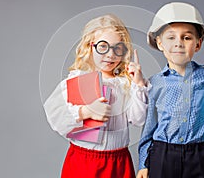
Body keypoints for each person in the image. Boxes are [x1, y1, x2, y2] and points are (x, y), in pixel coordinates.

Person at [43, 14, 148, 178]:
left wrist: (139, 85)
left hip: (118, 161)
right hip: (83, 160)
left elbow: (139, 119)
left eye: (117, 48)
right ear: (90, 46)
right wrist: (86, 111)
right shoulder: (78, 80)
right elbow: (56, 117)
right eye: (103, 46)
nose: (110, 55)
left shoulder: (125, 84)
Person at [137, 2, 204, 178]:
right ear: (160, 43)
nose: (178, 43)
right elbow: (148, 128)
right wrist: (143, 163)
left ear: (198, 44)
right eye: (171, 38)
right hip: (162, 154)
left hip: (199, 155)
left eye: (186, 38)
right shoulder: (155, 83)